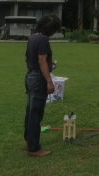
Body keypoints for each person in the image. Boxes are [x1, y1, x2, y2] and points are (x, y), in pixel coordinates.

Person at [24, 14, 61, 157]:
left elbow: (27, 58)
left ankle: (29, 140)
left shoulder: (32, 38)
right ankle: (34, 148)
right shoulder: (44, 40)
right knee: (36, 113)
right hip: (38, 78)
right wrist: (49, 81)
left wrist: (49, 65)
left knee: (30, 112)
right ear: (50, 29)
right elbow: (41, 61)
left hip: (30, 76)